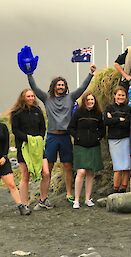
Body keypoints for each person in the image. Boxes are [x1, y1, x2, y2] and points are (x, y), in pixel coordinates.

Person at [27, 64, 97, 203]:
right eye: (58, 85)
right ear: (54, 86)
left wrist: (91, 73)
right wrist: (29, 74)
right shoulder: (46, 98)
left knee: (68, 166)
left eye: (63, 85)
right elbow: (34, 88)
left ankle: (69, 194)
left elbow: (83, 88)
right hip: (52, 136)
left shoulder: (71, 97)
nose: (60, 87)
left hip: (65, 136)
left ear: (65, 87)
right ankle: (44, 197)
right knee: (49, 167)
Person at [10, 89, 52, 212]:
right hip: (24, 148)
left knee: (46, 173)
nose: (31, 98)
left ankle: (43, 199)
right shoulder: (16, 113)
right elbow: (15, 130)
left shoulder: (37, 111)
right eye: (28, 96)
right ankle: (24, 204)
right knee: (25, 176)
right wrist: (28, 139)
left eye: (32, 96)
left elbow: (43, 127)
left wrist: (38, 139)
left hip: (38, 147)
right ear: (23, 97)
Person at [68, 91, 105, 209]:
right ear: (84, 101)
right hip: (80, 146)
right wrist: (78, 137)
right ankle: (77, 200)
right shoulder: (78, 113)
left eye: (92, 100)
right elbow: (71, 128)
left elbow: (102, 129)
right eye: (88, 100)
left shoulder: (98, 114)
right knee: (81, 172)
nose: (90, 102)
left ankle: (88, 199)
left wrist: (98, 137)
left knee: (91, 172)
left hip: (94, 145)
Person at [104, 86, 131, 193]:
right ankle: (115, 189)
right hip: (113, 140)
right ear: (115, 96)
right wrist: (119, 119)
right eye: (119, 95)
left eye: (123, 95)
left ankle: (123, 188)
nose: (120, 97)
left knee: (126, 165)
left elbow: (127, 123)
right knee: (117, 166)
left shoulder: (128, 109)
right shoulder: (109, 108)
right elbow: (106, 122)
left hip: (125, 138)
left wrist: (114, 120)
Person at [0, 122, 31, 215]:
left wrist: (4, 156)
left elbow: (6, 144)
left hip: (3, 161)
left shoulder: (2, 127)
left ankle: (21, 207)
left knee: (12, 185)